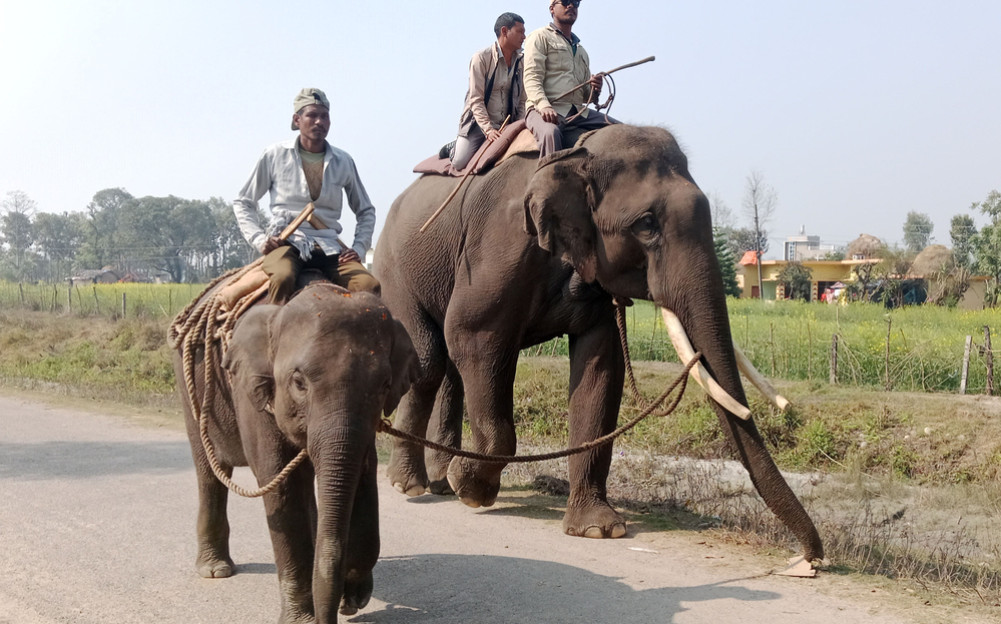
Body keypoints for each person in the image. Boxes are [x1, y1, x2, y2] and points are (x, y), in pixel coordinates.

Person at [233, 88, 380, 304]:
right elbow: (243, 202)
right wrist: (259, 239)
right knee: (283, 278)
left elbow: (366, 211)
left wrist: (358, 249)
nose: (319, 122)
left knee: (370, 286)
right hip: (288, 242)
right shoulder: (275, 154)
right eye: (312, 115)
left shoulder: (343, 161)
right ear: (297, 119)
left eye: (324, 116)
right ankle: (272, 331)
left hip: (330, 246)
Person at [523, 0, 617, 157]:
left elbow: (586, 96)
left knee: (620, 130)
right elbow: (532, 78)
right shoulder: (539, 37)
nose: (571, 6)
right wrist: (544, 105)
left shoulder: (581, 51)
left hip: (577, 111)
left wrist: (595, 89)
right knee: (550, 133)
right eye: (566, 2)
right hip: (544, 107)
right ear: (552, 9)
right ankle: (549, 180)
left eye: (575, 2)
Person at [450, 12, 528, 171]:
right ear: (505, 31)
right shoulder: (481, 58)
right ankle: (452, 148)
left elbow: (522, 100)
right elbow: (476, 100)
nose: (524, 37)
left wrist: (520, 125)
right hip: (480, 125)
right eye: (520, 32)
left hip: (506, 123)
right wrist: (488, 130)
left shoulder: (522, 62)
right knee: (459, 162)